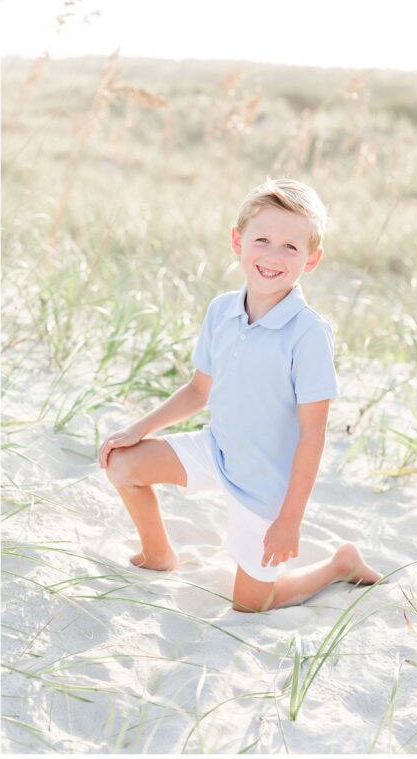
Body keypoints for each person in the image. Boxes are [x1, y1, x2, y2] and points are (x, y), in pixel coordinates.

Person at [99, 178, 381, 612]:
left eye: (291, 247)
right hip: (216, 450)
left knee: (252, 604)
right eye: (262, 240)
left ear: (312, 260)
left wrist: (289, 520)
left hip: (265, 484)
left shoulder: (308, 334)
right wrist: (136, 430)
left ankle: (338, 565)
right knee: (122, 463)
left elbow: (312, 435)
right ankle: (159, 554)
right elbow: (198, 390)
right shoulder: (222, 310)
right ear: (237, 241)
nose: (272, 256)